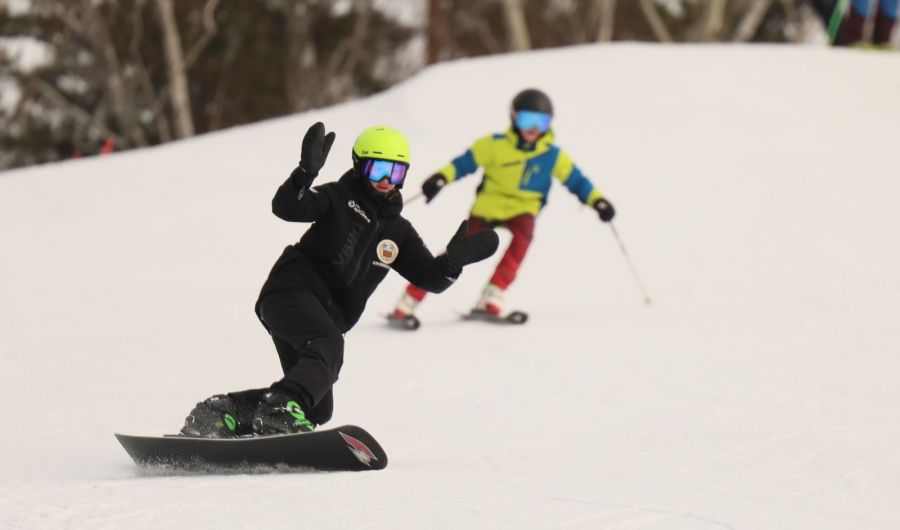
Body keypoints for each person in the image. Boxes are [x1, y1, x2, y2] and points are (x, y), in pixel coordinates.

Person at [180, 122, 499, 437]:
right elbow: (286, 207)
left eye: (397, 172)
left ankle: (222, 413)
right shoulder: (337, 197)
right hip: (289, 293)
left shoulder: (398, 232)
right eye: (378, 170)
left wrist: (452, 263)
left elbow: (432, 279)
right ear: (360, 166)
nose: (387, 180)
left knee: (317, 408)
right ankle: (279, 409)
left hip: (323, 316)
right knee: (328, 347)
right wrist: (305, 174)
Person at [391, 88, 615, 323]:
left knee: (523, 238)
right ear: (514, 117)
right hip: (488, 207)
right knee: (458, 251)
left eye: (542, 122)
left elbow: (577, 180)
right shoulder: (494, 145)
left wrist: (597, 201)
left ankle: (493, 293)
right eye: (528, 119)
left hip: (523, 208)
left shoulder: (553, 156)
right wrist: (440, 178)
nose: (534, 128)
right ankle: (409, 299)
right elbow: (464, 163)